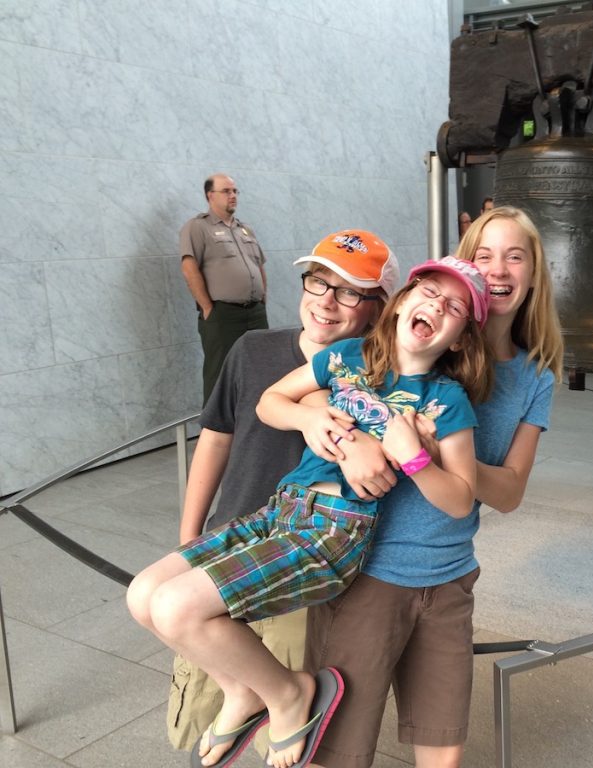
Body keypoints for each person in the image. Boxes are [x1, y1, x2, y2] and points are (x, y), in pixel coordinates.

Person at [127, 256, 492, 768]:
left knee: (175, 608)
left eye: (453, 307)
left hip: (332, 530)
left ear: (456, 339)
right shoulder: (347, 356)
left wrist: (412, 455)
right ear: (403, 303)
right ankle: (245, 690)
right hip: (282, 509)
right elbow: (270, 401)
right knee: (143, 596)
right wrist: (309, 417)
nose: (435, 304)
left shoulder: (443, 400)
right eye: (427, 291)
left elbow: (459, 497)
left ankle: (286, 695)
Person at [304, 206, 563, 768]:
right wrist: (352, 441)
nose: (499, 269)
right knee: (337, 746)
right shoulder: (414, 343)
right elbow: (325, 377)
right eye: (484, 255)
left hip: (446, 577)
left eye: (514, 256)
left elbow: (510, 491)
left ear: (534, 273)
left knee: (444, 745)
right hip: (366, 567)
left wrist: (436, 455)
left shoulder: (535, 376)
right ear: (460, 268)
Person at [166, 229, 398, 759]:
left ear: (377, 308)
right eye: (318, 282)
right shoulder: (253, 349)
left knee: (290, 739)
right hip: (232, 540)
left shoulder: (381, 379)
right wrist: (189, 535)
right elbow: (216, 438)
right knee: (204, 716)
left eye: (349, 291)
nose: (326, 301)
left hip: (300, 570)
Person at [180, 173, 269, 403]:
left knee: (261, 368)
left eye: (235, 191)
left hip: (255, 313)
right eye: (227, 191)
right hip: (222, 314)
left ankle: (256, 425)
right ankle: (215, 433)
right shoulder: (197, 227)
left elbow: (258, 266)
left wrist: (262, 300)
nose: (233, 195)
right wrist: (208, 307)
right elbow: (190, 268)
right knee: (220, 374)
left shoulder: (245, 229)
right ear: (210, 196)